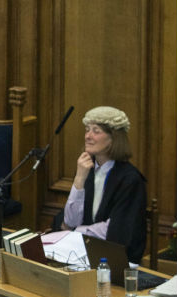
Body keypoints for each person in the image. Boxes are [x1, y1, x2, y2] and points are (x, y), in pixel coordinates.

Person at [60, 106, 146, 264]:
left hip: (118, 260)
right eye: (87, 130)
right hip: (84, 252)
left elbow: (116, 229)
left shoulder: (130, 179)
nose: (88, 136)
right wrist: (79, 178)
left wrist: (75, 231)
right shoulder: (87, 169)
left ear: (113, 138)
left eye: (96, 131)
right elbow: (70, 221)